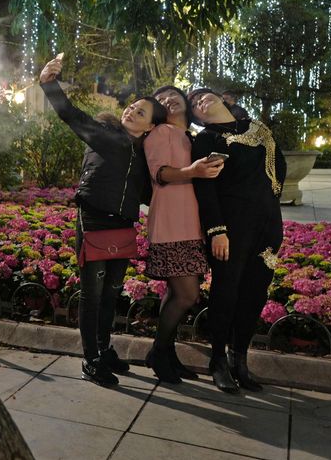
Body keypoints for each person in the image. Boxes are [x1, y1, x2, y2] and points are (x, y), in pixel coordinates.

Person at [39, 54, 166, 387]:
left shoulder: (145, 155)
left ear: (151, 126)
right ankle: (90, 359)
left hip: (123, 225)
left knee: (111, 293)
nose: (131, 111)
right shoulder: (104, 134)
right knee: (92, 294)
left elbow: (149, 194)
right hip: (93, 218)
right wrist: (49, 84)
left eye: (141, 112)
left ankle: (104, 348)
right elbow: (71, 115)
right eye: (131, 107)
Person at [188, 88, 286, 394]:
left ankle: (239, 359)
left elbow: (279, 171)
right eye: (194, 104)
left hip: (267, 226)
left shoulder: (259, 130)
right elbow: (205, 189)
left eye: (204, 96)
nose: (201, 101)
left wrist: (268, 209)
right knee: (226, 292)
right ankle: (217, 359)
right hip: (230, 230)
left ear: (222, 100)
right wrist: (217, 229)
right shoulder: (207, 139)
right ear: (197, 117)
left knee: (255, 292)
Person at [144, 86, 224, 383]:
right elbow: (161, 174)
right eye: (161, 98)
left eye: (173, 95)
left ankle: (168, 355)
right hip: (171, 222)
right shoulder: (160, 132)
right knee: (187, 294)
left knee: (177, 293)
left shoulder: (190, 137)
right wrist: (194, 171)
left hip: (192, 224)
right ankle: (157, 352)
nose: (167, 100)